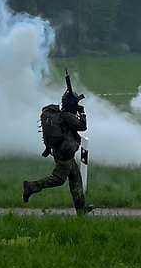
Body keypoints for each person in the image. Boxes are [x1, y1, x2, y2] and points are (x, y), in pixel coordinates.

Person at [22, 84, 92, 215]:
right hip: (64, 154)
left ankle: (81, 210)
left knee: (76, 181)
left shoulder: (62, 115)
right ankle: (31, 187)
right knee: (58, 179)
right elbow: (83, 126)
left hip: (64, 152)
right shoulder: (67, 116)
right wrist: (82, 112)